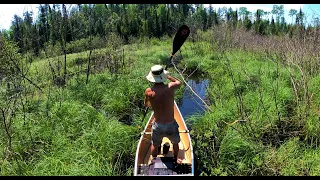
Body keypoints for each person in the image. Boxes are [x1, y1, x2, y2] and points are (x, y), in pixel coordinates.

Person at [144, 64, 182, 164]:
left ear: (152, 78)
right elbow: (179, 82)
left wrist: (151, 99)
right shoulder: (170, 87)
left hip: (157, 125)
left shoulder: (149, 91)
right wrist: (168, 76)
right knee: (175, 143)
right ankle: (176, 159)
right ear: (163, 77)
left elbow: (147, 105)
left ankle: (154, 161)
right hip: (170, 124)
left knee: (155, 145)